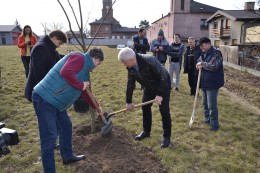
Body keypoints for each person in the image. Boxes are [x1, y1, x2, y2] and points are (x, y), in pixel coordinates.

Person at [32, 47, 104, 173]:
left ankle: (68, 156)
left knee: (66, 127)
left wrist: (97, 107)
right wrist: (81, 85)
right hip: (45, 99)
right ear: (95, 59)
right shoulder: (79, 57)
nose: (98, 66)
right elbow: (65, 72)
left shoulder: (85, 71)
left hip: (57, 103)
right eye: (99, 63)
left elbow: (85, 92)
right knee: (49, 138)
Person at [118, 47, 172, 148]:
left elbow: (163, 77)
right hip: (149, 87)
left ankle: (166, 137)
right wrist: (128, 101)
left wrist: (159, 94)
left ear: (131, 59)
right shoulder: (130, 67)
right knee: (145, 107)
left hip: (163, 85)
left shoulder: (149, 60)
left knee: (164, 111)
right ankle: (146, 131)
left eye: (124, 62)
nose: (124, 65)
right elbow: (130, 84)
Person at [25, 30, 67, 102]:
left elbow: (57, 57)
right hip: (41, 91)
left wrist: (71, 57)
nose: (59, 46)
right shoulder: (40, 48)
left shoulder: (48, 47)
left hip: (47, 90)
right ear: (54, 37)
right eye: (59, 43)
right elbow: (40, 74)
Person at [196, 37, 224, 132]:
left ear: (208, 44)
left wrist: (202, 64)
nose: (201, 48)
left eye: (202, 46)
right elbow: (199, 62)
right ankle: (208, 119)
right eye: (200, 47)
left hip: (213, 83)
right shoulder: (204, 53)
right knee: (205, 103)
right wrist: (198, 65)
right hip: (204, 82)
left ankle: (214, 125)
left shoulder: (216, 53)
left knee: (212, 105)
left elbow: (214, 66)